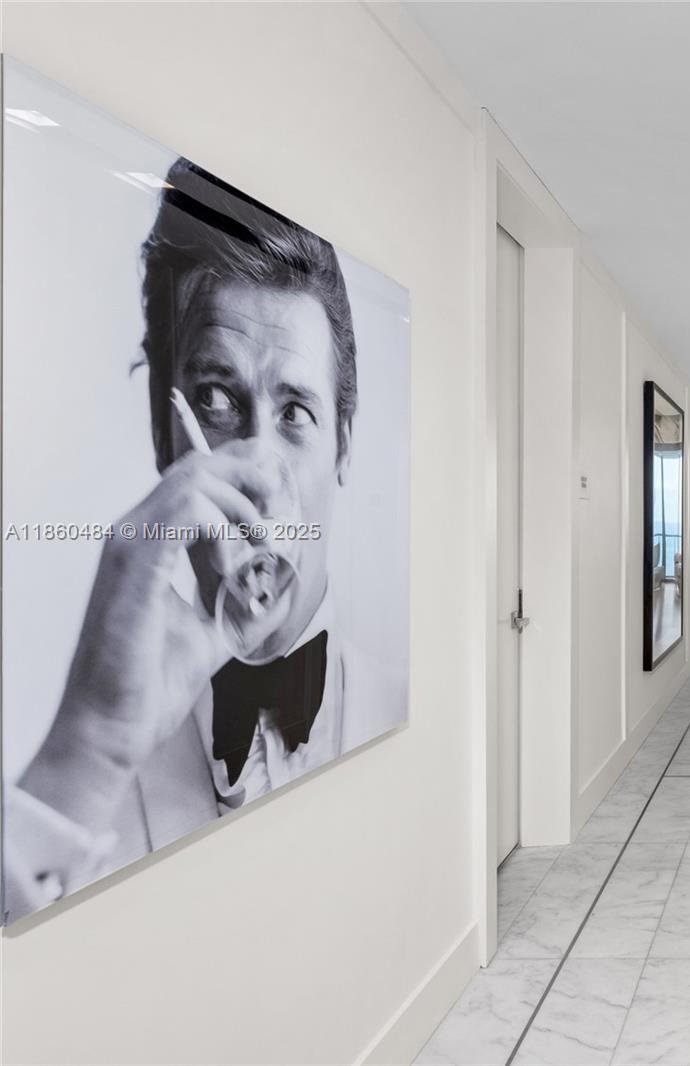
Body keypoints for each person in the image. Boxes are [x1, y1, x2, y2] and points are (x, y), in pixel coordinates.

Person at [3, 158, 401, 920]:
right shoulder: (81, 787)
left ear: (344, 443)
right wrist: (88, 747)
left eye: (296, 414)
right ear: (164, 430)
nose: (257, 473)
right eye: (217, 401)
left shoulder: (417, 707)